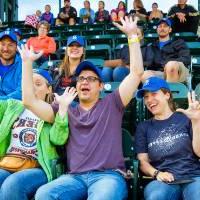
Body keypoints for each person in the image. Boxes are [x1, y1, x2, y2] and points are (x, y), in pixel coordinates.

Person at [21, 16, 144, 200]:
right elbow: (29, 101)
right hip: (74, 178)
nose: (84, 81)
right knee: (44, 195)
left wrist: (132, 37)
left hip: (107, 176)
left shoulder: (113, 103)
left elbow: (136, 73)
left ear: (101, 86)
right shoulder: (66, 108)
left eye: (91, 78)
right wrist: (27, 63)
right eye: (81, 79)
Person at [0, 55, 73, 200]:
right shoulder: (12, 106)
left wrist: (62, 113)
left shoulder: (51, 111)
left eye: (38, 84)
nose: (32, 88)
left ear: (49, 89)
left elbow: (59, 140)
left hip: (38, 166)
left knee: (12, 185)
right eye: (29, 83)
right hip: (8, 161)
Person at [135, 76, 200, 200]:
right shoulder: (144, 127)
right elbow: (143, 162)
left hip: (193, 177)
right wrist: (157, 173)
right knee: (156, 197)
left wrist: (197, 121)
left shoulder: (185, 119)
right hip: (163, 181)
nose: (149, 100)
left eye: (154, 94)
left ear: (167, 95)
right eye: (146, 97)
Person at [142, 18, 190, 83]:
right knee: (144, 74)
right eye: (160, 26)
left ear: (170, 30)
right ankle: (158, 92)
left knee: (171, 65)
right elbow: (146, 62)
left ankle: (170, 91)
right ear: (157, 30)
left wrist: (167, 63)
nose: (162, 28)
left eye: (165, 26)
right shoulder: (151, 46)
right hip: (160, 73)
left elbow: (186, 58)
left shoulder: (178, 42)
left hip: (178, 72)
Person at [0, 30, 22, 100]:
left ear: (16, 47)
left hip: (16, 108)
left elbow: (21, 92)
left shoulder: (24, 64)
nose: (6, 49)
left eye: (10, 45)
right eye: (3, 44)